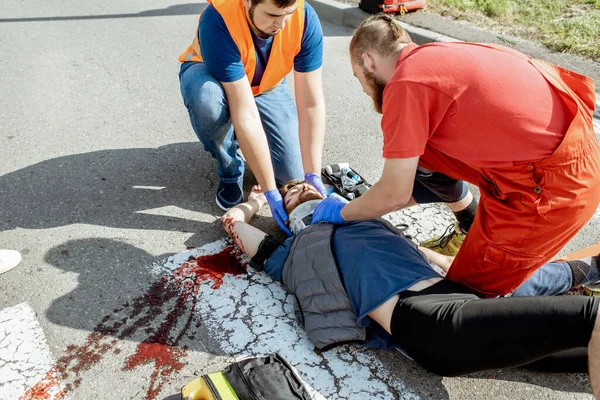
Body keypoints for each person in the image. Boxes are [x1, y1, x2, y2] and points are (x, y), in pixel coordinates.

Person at [220, 181, 600, 395]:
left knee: (579, 355)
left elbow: (436, 261)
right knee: (590, 318)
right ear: (289, 216)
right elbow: (234, 225)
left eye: (303, 183)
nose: (298, 187)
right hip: (428, 320)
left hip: (458, 303)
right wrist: (253, 204)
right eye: (289, 192)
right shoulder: (295, 251)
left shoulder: (367, 219)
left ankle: (583, 275)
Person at [312, 14, 600, 296]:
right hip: (563, 154)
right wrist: (370, 207)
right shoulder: (434, 57)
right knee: (421, 153)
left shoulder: (405, 85)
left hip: (553, 188)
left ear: (367, 62)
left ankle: (588, 270)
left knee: (468, 294)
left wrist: (342, 213)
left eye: (357, 76)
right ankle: (473, 225)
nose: (362, 87)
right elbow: (413, 179)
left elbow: (395, 194)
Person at [178, 0, 326, 235]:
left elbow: (310, 104)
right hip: (211, 79)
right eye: (271, 15)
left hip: (266, 86)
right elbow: (244, 113)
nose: (281, 24)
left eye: (287, 14)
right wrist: (268, 192)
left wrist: (313, 175)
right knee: (207, 100)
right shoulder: (218, 19)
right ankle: (230, 169)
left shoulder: (304, 18)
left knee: (292, 175)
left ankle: (245, 140)